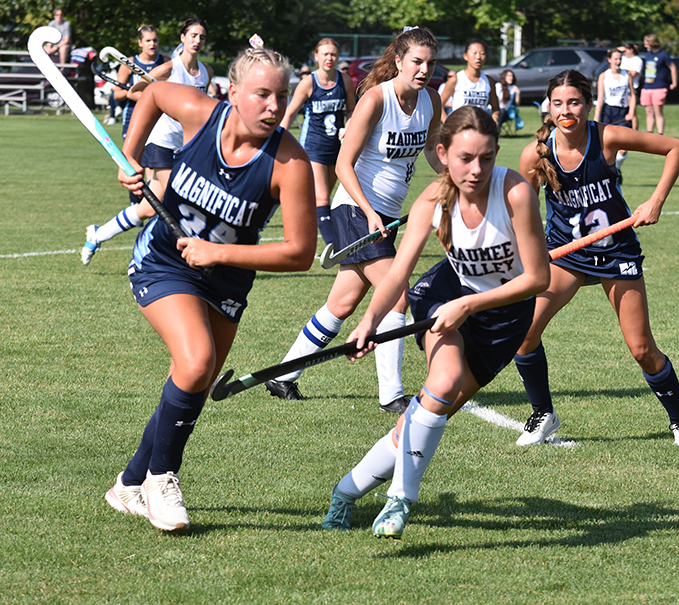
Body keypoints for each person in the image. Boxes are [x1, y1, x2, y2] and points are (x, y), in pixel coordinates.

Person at [103, 42, 316, 532]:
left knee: (193, 381)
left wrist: (219, 252)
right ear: (234, 92)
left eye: (280, 96)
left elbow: (301, 252)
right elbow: (153, 93)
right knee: (197, 362)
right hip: (164, 260)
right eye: (262, 94)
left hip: (225, 279)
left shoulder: (289, 163)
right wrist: (128, 157)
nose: (274, 106)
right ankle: (162, 478)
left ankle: (128, 484)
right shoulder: (201, 115)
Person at [320, 105, 550, 538]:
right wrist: (369, 320)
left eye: (486, 158)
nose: (476, 169)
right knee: (442, 381)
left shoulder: (515, 193)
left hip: (503, 317)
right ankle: (400, 500)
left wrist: (472, 306)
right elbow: (399, 273)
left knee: (426, 414)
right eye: (465, 158)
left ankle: (346, 491)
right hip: (445, 295)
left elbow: (538, 279)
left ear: (497, 152)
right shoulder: (433, 200)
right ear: (442, 153)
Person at [512, 70, 679, 447]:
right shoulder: (536, 152)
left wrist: (656, 200)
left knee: (641, 348)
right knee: (524, 333)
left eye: (575, 102)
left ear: (588, 104)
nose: (567, 111)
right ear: (548, 107)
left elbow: (677, 147)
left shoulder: (607, 137)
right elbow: (521, 209)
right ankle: (543, 413)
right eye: (559, 103)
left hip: (615, 253)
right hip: (567, 254)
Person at [265, 27, 443, 413]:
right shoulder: (376, 100)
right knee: (397, 295)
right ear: (399, 61)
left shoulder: (432, 99)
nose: (424, 69)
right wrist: (368, 211)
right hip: (356, 208)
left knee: (341, 304)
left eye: (430, 63)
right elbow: (343, 164)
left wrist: (451, 178)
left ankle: (283, 375)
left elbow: (431, 148)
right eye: (416, 61)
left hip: (387, 213)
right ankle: (391, 395)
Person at [82, 19, 213, 266]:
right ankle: (184, 256)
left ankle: (98, 234)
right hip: (161, 140)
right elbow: (134, 92)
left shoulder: (206, 72)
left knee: (149, 208)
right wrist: (163, 95)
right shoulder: (167, 70)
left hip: (187, 145)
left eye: (202, 37)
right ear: (182, 37)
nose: (197, 41)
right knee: (181, 193)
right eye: (193, 35)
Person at [279, 38, 356, 246]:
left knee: (323, 199)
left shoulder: (345, 81)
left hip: (337, 148)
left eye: (333, 54)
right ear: (316, 57)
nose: (329, 58)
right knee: (322, 198)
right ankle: (334, 245)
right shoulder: (308, 83)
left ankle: (304, 229)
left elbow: (352, 110)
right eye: (325, 54)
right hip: (313, 147)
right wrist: (277, 140)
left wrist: (349, 126)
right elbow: (291, 113)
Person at [114, 25, 169, 141]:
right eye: (148, 41)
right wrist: (132, 91)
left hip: (159, 116)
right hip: (134, 115)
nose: (152, 44)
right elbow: (117, 95)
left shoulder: (166, 62)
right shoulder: (129, 63)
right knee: (133, 157)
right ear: (140, 43)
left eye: (155, 40)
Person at [594, 48, 636, 181]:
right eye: (616, 59)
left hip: (622, 113)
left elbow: (633, 96)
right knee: (606, 146)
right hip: (608, 112)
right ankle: (610, 171)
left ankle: (616, 168)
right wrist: (596, 117)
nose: (618, 62)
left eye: (620, 59)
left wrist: (631, 112)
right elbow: (600, 99)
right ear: (609, 60)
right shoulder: (604, 76)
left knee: (623, 147)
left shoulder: (627, 75)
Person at [440, 40, 499, 124]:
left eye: (482, 53)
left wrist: (495, 117)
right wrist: (447, 124)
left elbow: (496, 108)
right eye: (474, 53)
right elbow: (439, 105)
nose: (478, 57)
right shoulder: (456, 79)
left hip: (480, 130)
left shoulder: (488, 81)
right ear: (465, 56)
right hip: (459, 130)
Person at [641, 34, 677, 135]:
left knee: (658, 112)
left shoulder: (663, 55)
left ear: (652, 43)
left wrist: (674, 83)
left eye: (646, 43)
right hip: (647, 86)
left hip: (659, 87)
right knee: (648, 111)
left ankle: (660, 134)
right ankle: (650, 133)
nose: (645, 45)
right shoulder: (648, 54)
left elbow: (673, 67)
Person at [618, 43, 643, 130]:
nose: (624, 53)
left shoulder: (637, 60)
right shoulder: (623, 59)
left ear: (631, 50)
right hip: (621, 88)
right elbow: (611, 51)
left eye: (626, 50)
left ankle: (635, 130)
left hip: (631, 88)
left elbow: (632, 74)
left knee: (632, 112)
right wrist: (621, 49)